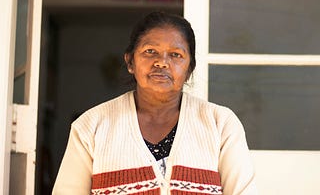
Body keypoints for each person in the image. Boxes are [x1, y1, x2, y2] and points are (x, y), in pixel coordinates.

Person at [52, 11, 257, 195]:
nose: (162, 62)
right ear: (130, 62)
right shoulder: (91, 126)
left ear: (189, 70)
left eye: (176, 55)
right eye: (150, 51)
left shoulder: (220, 124)